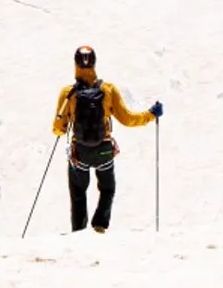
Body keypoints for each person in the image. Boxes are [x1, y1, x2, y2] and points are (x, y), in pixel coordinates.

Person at [51, 45, 163, 233]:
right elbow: (128, 119)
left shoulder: (67, 93)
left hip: (80, 152)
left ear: (75, 65)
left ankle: (78, 232)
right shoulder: (108, 90)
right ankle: (100, 226)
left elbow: (58, 129)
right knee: (108, 189)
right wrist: (151, 114)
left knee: (78, 193)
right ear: (94, 63)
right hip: (103, 149)